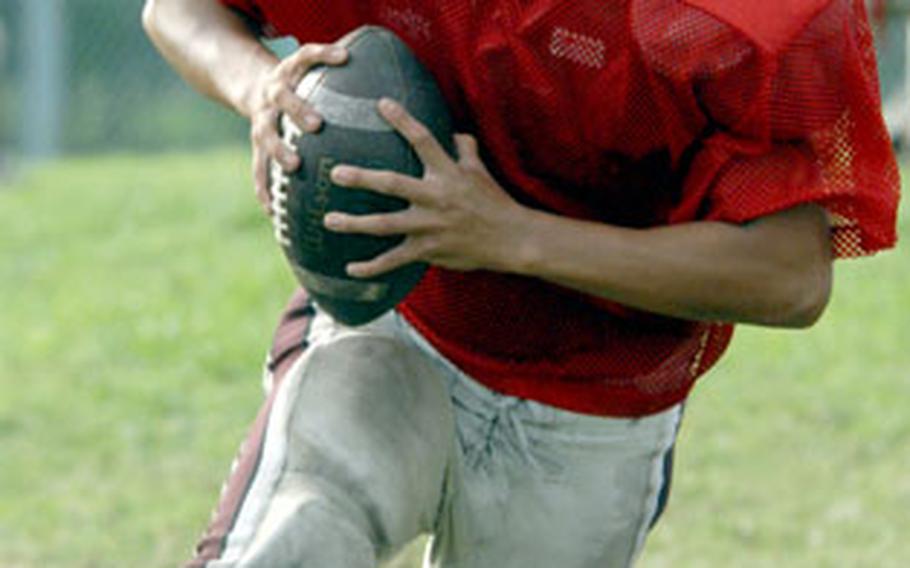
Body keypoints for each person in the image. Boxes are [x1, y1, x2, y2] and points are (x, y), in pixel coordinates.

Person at [143, 1, 900, 567]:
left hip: (595, 396)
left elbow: (791, 275)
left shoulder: (735, 17)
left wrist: (512, 236)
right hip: (399, 322)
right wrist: (260, 88)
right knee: (298, 531)